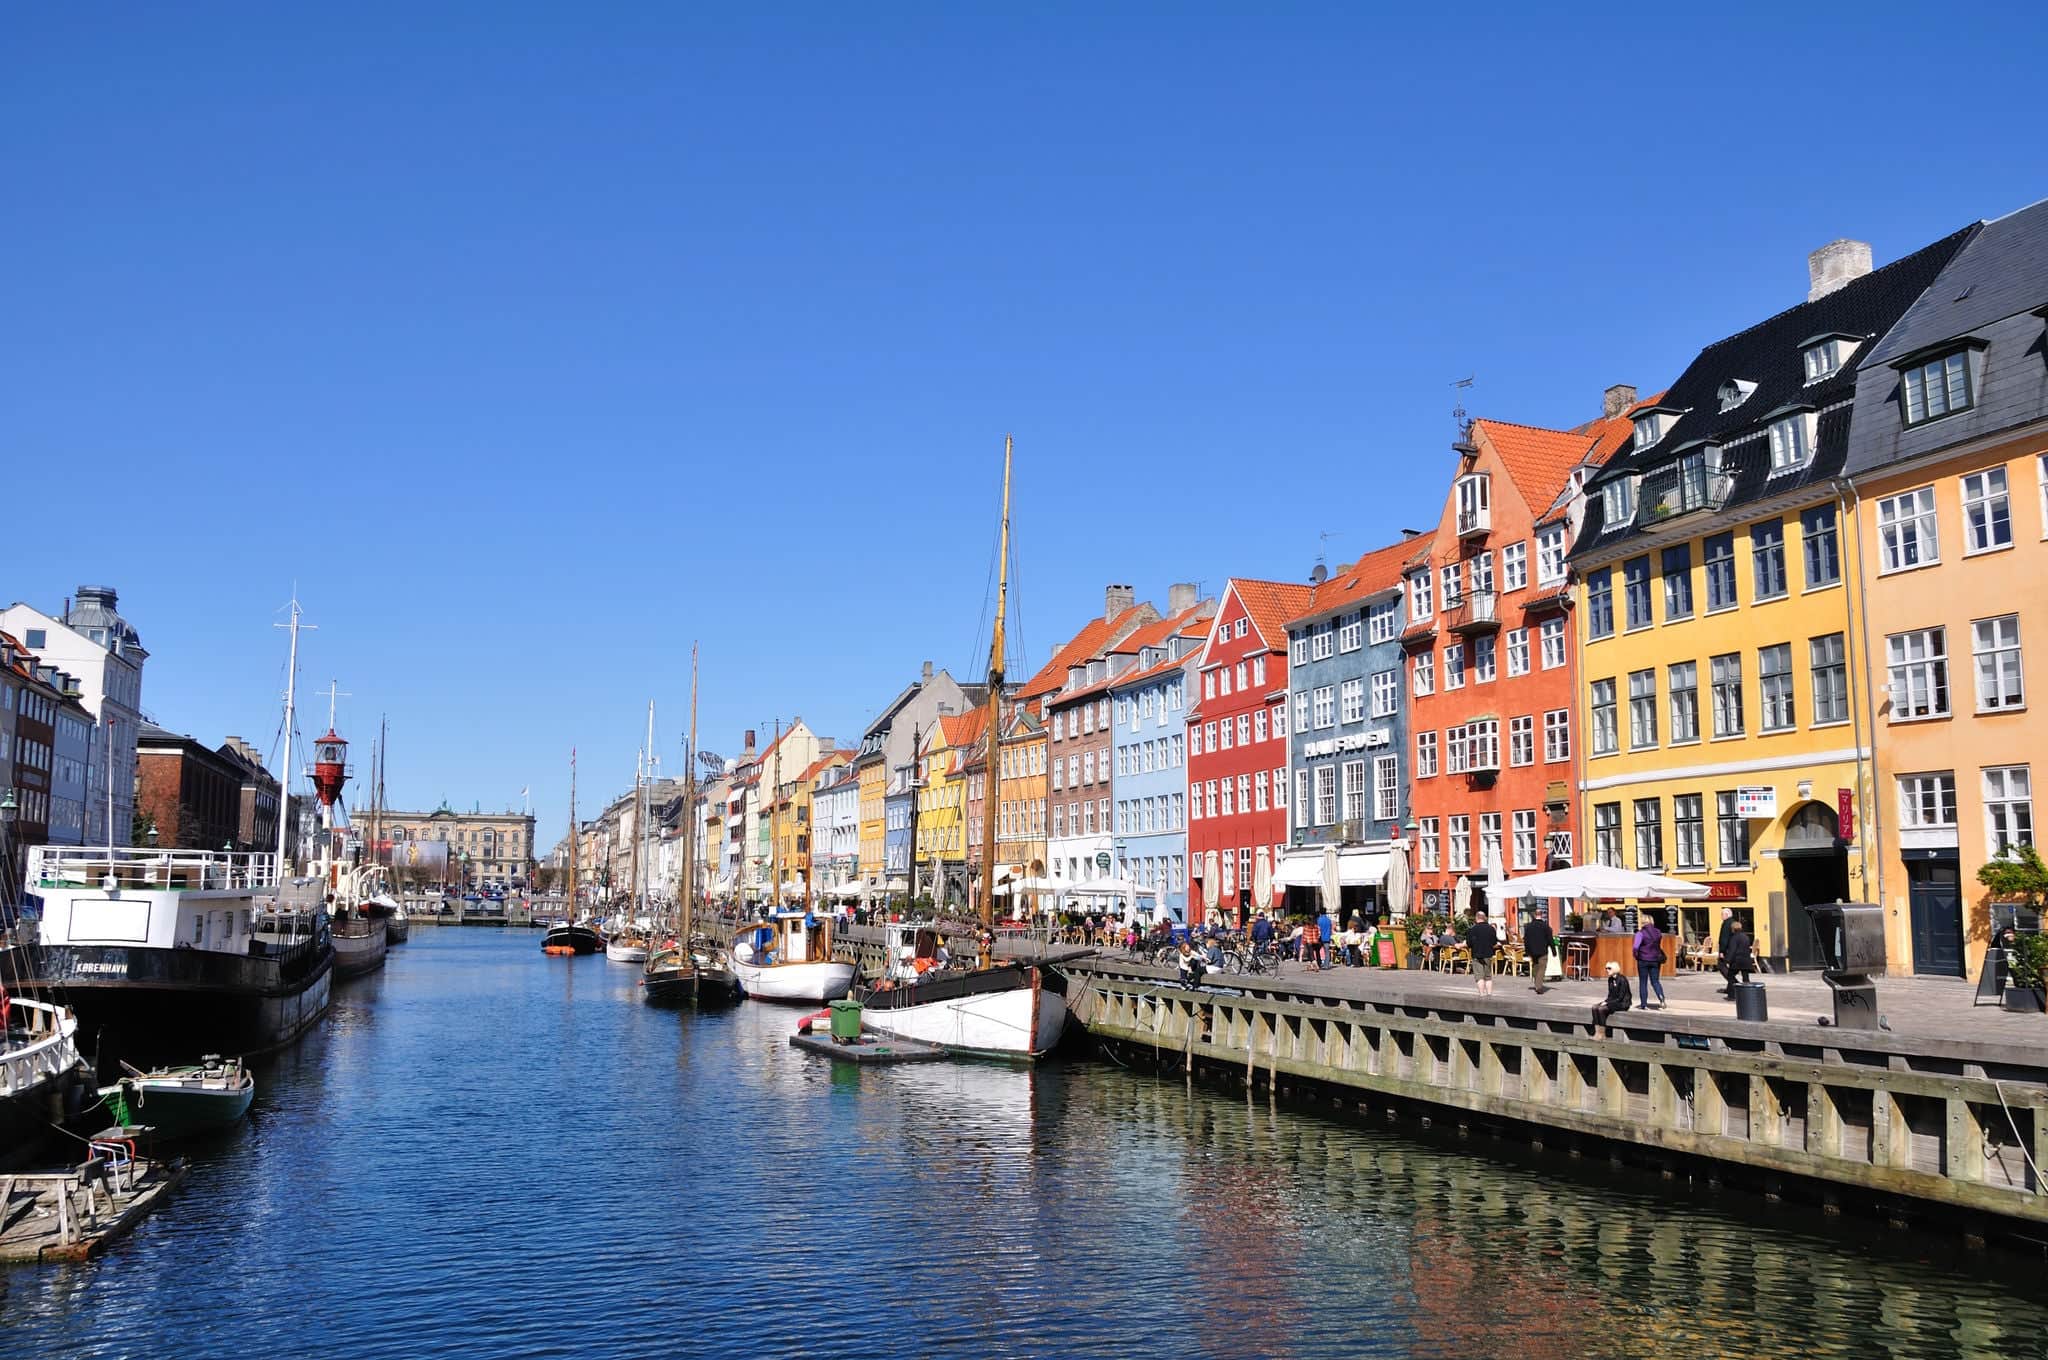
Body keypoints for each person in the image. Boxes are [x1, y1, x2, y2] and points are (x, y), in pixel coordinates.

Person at [1633, 911, 1668, 1010]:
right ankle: (1661, 999)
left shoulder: (1640, 933)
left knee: (1643, 982)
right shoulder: (1658, 932)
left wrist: (1636, 956)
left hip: (1643, 959)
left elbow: (1635, 947)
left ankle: (1644, 1004)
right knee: (1655, 981)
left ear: (1643, 922)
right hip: (1655, 960)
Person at [1592, 960, 1631, 1030]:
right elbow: (1610, 995)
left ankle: (1602, 1033)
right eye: (1606, 968)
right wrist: (1605, 1001)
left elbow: (1620, 997)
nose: (1607, 970)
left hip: (1622, 1003)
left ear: (1615, 969)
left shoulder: (1622, 979)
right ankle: (1597, 1031)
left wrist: (1607, 1003)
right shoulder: (1610, 979)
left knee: (1601, 1009)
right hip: (1613, 1001)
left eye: (1609, 968)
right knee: (1595, 1007)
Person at [1466, 915, 1500, 995]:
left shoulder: (1472, 929)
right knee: (1488, 976)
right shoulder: (1491, 929)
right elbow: (1494, 942)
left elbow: (1469, 944)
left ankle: (1481, 994)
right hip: (1488, 954)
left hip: (1476, 954)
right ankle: (1489, 993)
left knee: (1479, 976)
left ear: (1476, 919)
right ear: (1485, 918)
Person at [1523, 911, 1554, 994]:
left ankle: (1536, 981)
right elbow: (1550, 939)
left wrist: (1527, 951)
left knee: (1536, 967)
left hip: (1532, 951)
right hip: (1543, 950)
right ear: (1541, 915)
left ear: (1534, 915)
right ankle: (1539, 986)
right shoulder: (1546, 926)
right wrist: (1554, 951)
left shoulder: (1528, 927)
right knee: (1542, 968)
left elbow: (1526, 940)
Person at [1719, 920, 1754, 992]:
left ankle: (1732, 993)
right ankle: (1747, 993)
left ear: (1733, 929)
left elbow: (1732, 950)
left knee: (1730, 976)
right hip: (1746, 960)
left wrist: (1727, 960)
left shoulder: (1734, 938)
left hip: (1737, 961)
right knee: (1745, 977)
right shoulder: (1746, 937)